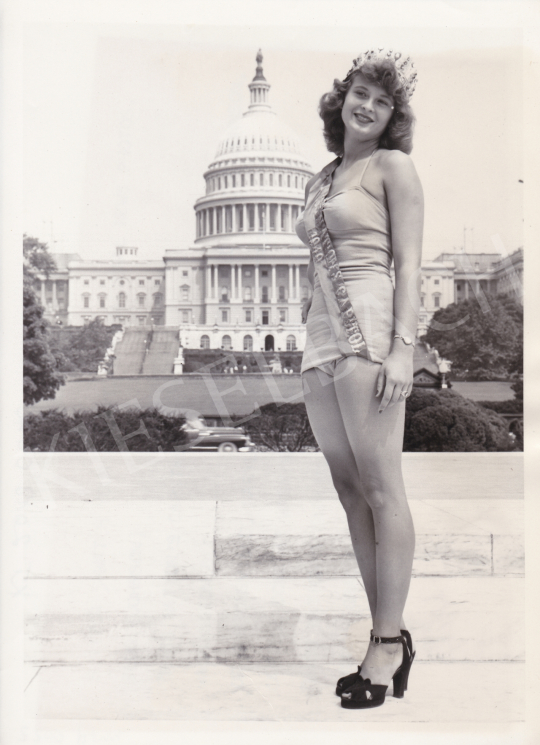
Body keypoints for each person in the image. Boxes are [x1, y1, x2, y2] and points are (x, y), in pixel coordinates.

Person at [296, 49, 423, 710]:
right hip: (321, 336)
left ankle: (385, 642)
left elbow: (409, 262)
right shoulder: (323, 177)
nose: (368, 106)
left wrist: (404, 349)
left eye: (383, 100)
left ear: (392, 116)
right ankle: (389, 637)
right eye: (361, 93)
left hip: (369, 325)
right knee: (351, 492)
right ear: (341, 99)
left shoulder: (392, 167)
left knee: (381, 485)